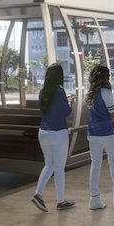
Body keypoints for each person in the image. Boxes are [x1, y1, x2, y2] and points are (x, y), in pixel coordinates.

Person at [30, 63, 75, 212]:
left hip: (43, 132)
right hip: (58, 133)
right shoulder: (60, 92)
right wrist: (70, 103)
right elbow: (66, 112)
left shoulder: (43, 92)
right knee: (59, 168)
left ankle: (38, 194)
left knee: (49, 165)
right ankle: (61, 201)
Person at [85, 65, 114, 210]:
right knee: (113, 162)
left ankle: (94, 198)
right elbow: (112, 113)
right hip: (107, 132)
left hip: (92, 133)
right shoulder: (106, 92)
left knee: (95, 164)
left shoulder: (90, 93)